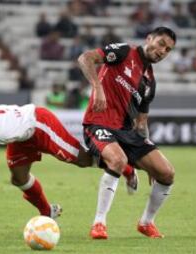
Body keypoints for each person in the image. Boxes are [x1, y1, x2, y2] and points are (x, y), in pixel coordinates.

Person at [78, 27, 176, 239]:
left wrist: (148, 155)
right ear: (149, 38)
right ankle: (99, 223)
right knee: (118, 160)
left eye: (167, 50)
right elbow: (85, 58)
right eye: (161, 43)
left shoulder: (150, 82)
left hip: (127, 133)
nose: (162, 51)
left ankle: (146, 223)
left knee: (166, 172)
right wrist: (98, 87)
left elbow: (141, 124)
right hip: (99, 124)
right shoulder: (124, 52)